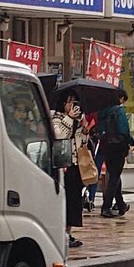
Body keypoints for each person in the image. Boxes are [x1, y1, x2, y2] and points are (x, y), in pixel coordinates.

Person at [51, 89, 87, 249]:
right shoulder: (56, 118)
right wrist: (70, 118)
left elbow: (81, 144)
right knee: (62, 201)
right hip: (61, 166)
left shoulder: (78, 120)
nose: (72, 105)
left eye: (74, 101)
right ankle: (60, 233)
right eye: (69, 101)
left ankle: (68, 232)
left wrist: (84, 131)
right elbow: (59, 136)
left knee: (74, 201)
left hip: (75, 166)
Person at [98, 89, 134, 219]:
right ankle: (106, 206)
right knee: (114, 177)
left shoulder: (103, 111)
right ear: (120, 98)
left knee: (114, 174)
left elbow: (99, 129)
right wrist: (131, 141)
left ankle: (120, 204)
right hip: (118, 147)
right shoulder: (119, 110)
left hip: (106, 147)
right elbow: (124, 130)